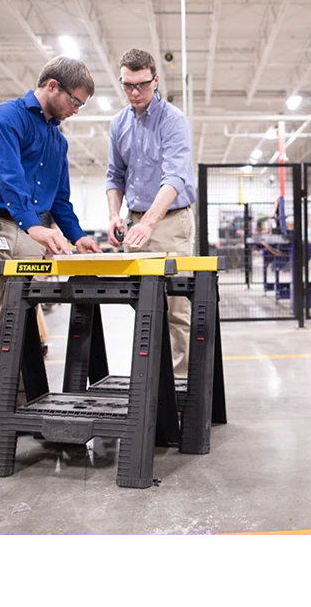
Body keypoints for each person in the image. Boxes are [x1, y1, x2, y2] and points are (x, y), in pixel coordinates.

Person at [0, 56, 102, 464]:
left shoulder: (58, 140)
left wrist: (79, 237)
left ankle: (38, 408)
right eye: (75, 102)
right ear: (51, 86)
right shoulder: (5, 117)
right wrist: (35, 227)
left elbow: (60, 199)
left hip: (25, 228)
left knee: (46, 302)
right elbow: (10, 179)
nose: (76, 111)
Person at [105, 48, 197, 378]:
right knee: (145, 308)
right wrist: (115, 214)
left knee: (176, 309)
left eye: (141, 85)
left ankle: (180, 389)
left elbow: (175, 177)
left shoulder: (173, 121)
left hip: (170, 222)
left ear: (155, 80)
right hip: (136, 223)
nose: (134, 93)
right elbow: (114, 175)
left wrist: (148, 222)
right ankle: (152, 385)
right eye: (127, 85)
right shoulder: (119, 123)